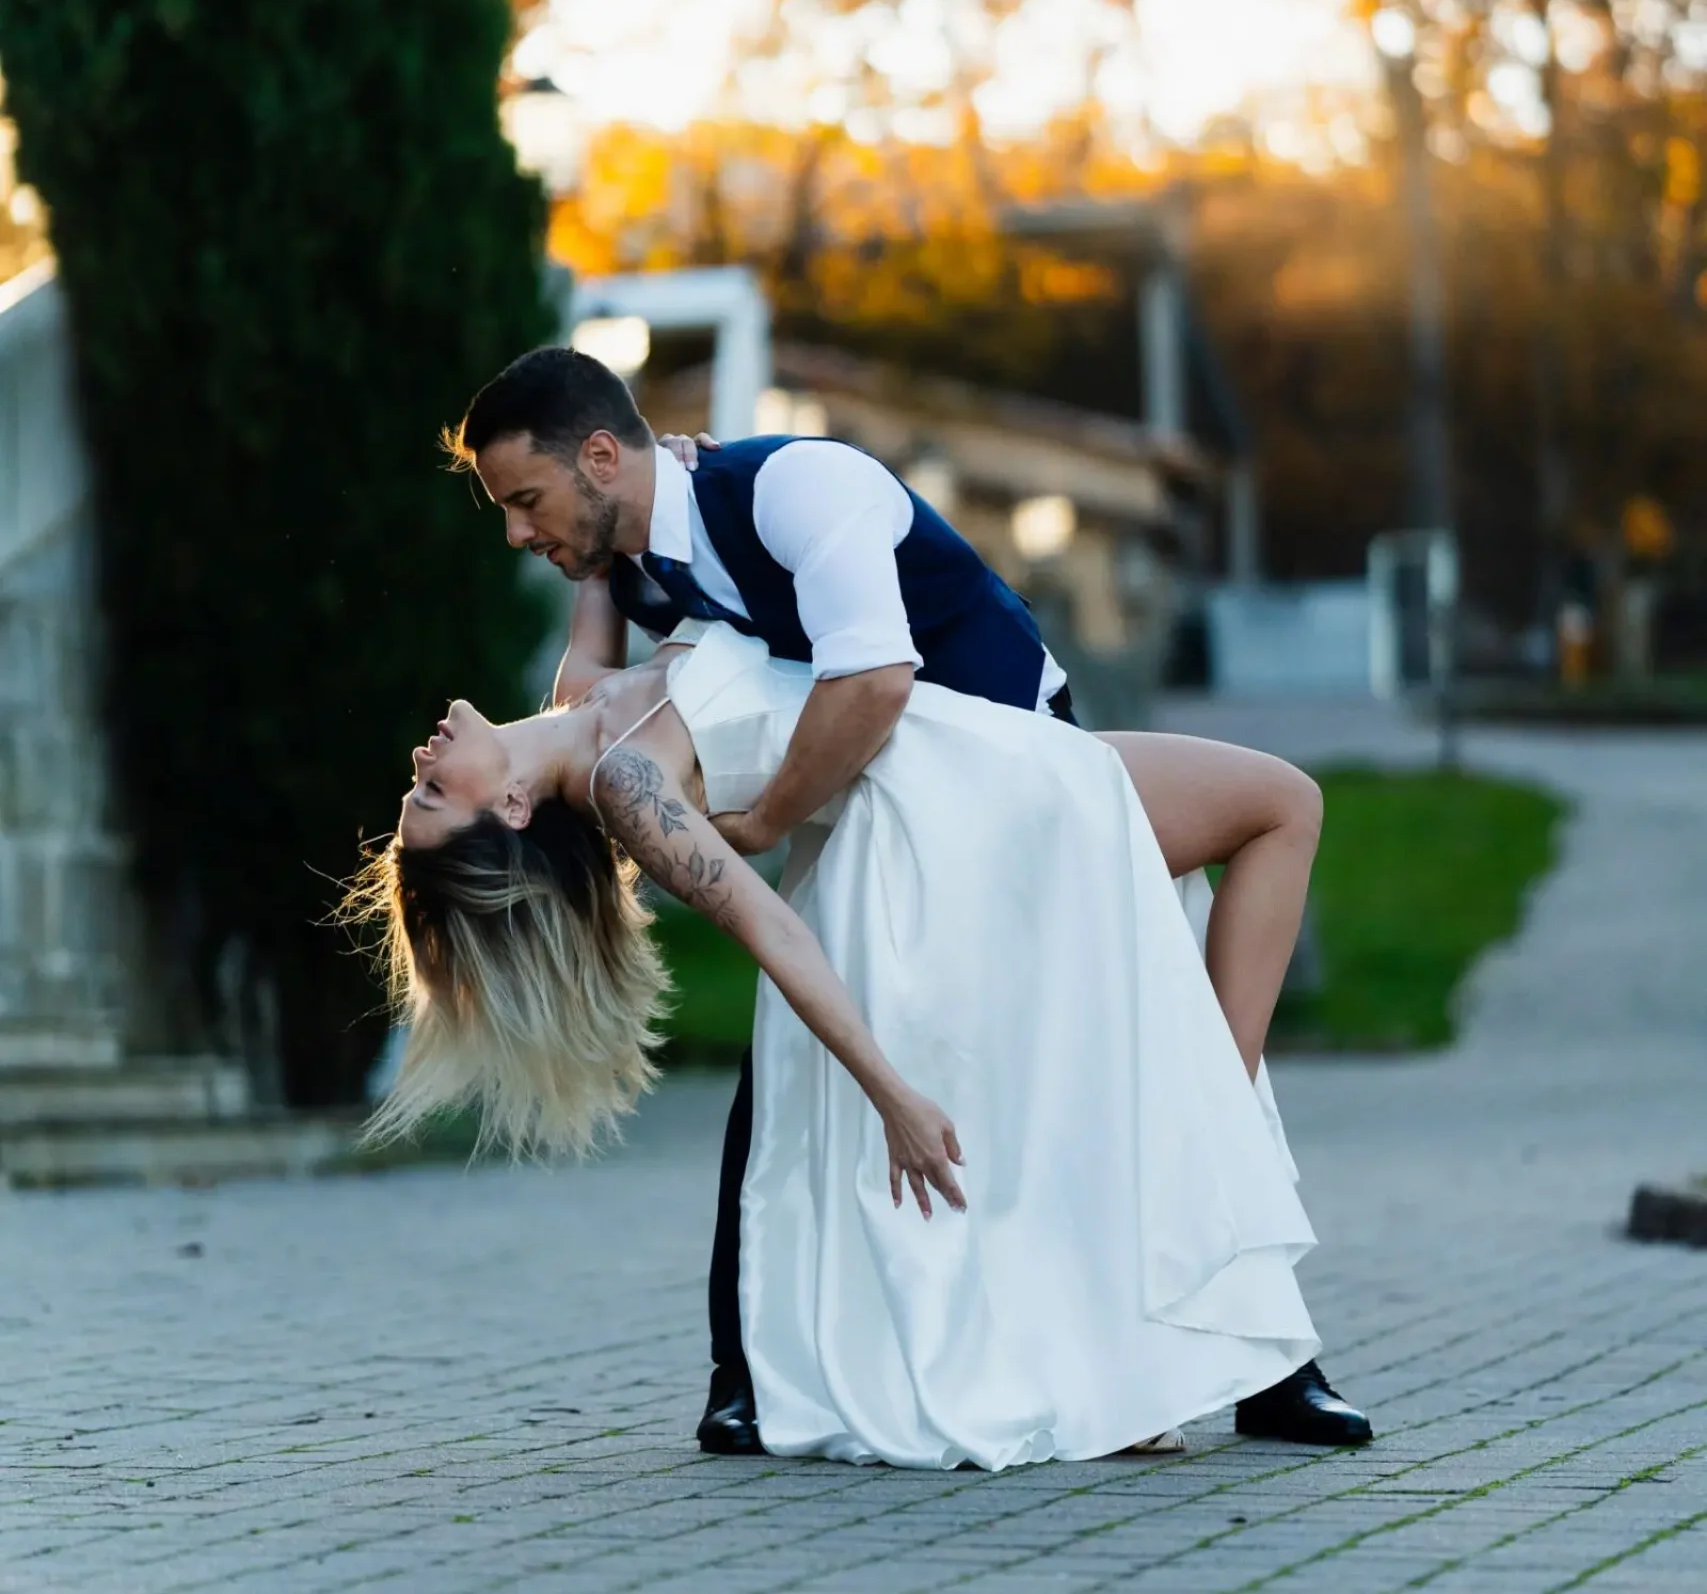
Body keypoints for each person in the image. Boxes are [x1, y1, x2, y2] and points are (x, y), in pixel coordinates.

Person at [437, 346, 1371, 1452]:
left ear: (602, 455)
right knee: (827, 1079)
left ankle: (1250, 1329)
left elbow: (872, 682)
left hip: (1010, 766)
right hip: (907, 818)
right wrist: (582, 550)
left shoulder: (793, 488)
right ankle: (755, 1375)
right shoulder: (630, 568)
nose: (516, 533)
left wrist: (769, 819)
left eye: (526, 502)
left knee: (1117, 1035)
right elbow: (582, 712)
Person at [351, 617, 1323, 1467]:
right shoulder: (629, 791)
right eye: (433, 796)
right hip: (953, 800)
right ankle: (1216, 1135)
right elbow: (774, 930)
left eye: (418, 789)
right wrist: (891, 1093)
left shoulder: (586, 696)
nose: (418, 762)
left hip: (963, 755)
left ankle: (1174, 1265)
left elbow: (599, 528)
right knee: (1282, 802)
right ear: (510, 811)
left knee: (1081, 1070)